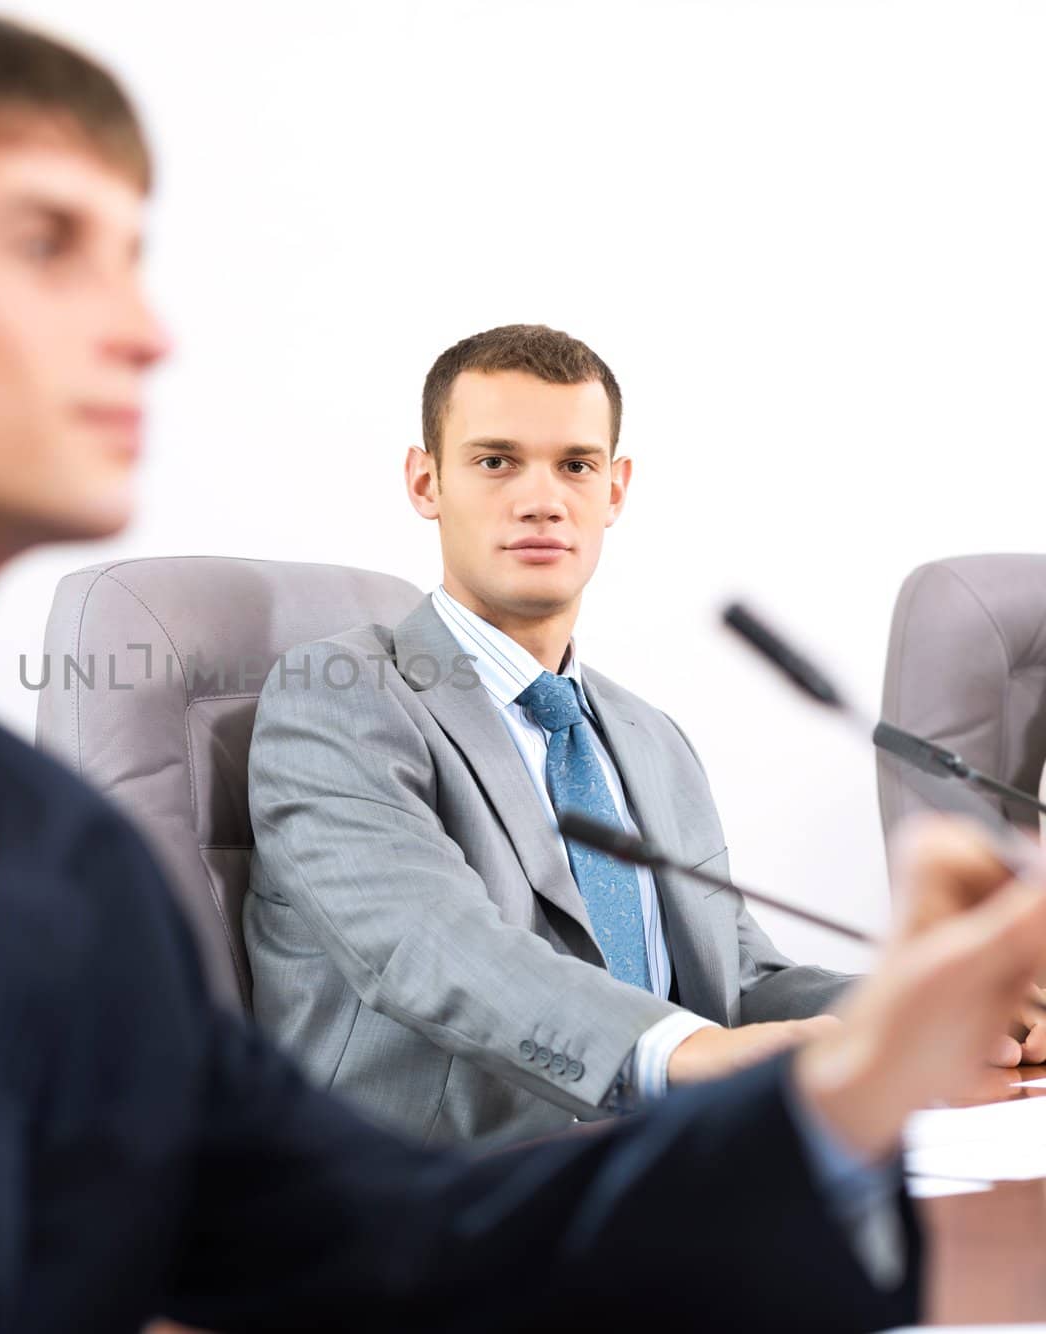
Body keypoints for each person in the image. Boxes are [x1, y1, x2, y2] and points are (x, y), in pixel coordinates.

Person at [0, 12, 1040, 1332]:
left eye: (137, 259)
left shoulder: (46, 854)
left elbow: (388, 1245)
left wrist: (853, 1082)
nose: (145, 329)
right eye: (49, 247)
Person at [245, 322, 1046, 1145]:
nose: (541, 499)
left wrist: (942, 1009)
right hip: (435, 1190)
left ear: (616, 490)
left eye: (577, 466)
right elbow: (429, 944)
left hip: (660, 1166)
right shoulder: (337, 698)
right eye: (495, 461)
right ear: (425, 482)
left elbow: (740, 984)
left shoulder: (646, 736)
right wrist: (683, 1050)